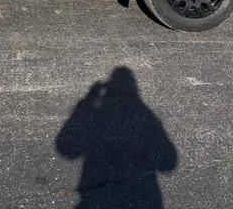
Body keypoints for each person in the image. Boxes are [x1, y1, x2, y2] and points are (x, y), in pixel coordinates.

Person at [56, 67, 177, 208]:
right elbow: (168, 162)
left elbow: (66, 147)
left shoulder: (100, 111)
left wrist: (87, 102)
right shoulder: (145, 115)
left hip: (98, 197)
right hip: (141, 197)